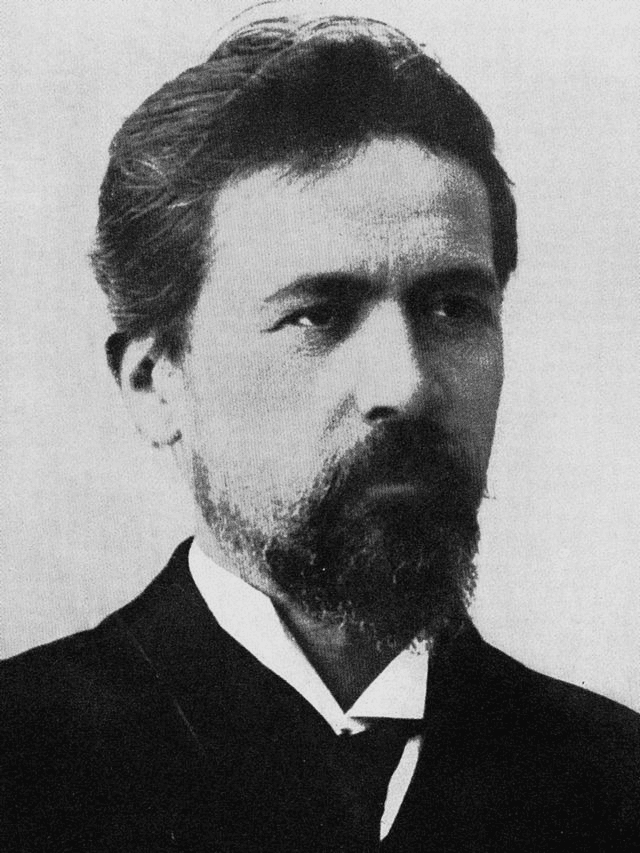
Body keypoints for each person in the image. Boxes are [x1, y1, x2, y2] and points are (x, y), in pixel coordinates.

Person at [1, 10, 638, 852]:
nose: (405, 386)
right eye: (316, 315)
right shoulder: (24, 762)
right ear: (156, 383)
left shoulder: (616, 780)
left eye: (454, 308)